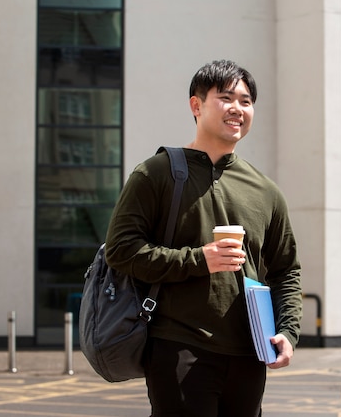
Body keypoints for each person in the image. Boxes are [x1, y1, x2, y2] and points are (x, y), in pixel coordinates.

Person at [105, 59, 302, 417]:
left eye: (246, 101)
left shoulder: (266, 191)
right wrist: (200, 259)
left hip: (250, 352)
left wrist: (288, 331)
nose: (238, 109)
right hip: (179, 346)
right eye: (226, 98)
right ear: (196, 105)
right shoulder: (156, 173)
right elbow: (121, 251)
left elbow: (286, 271)